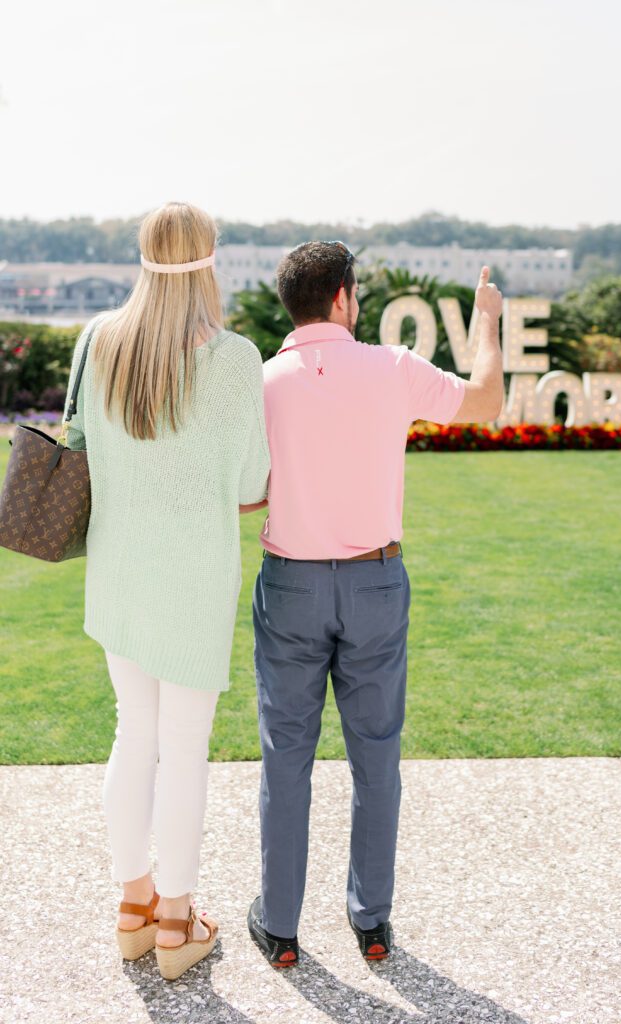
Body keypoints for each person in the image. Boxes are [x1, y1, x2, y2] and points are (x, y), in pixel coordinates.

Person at [247, 241, 503, 967]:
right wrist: (485, 320)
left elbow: (240, 490)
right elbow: (485, 403)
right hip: (374, 581)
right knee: (375, 757)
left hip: (291, 583)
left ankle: (282, 928)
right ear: (342, 298)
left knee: (285, 759)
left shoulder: (262, 382)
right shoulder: (390, 368)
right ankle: (372, 923)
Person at [61, 201, 270, 981]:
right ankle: (179, 921)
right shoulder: (236, 357)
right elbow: (253, 483)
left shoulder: (98, 338)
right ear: (210, 258)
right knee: (183, 750)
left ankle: (133, 906)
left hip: (118, 567)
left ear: (143, 254)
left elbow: (77, 443)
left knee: (132, 735)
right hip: (193, 576)